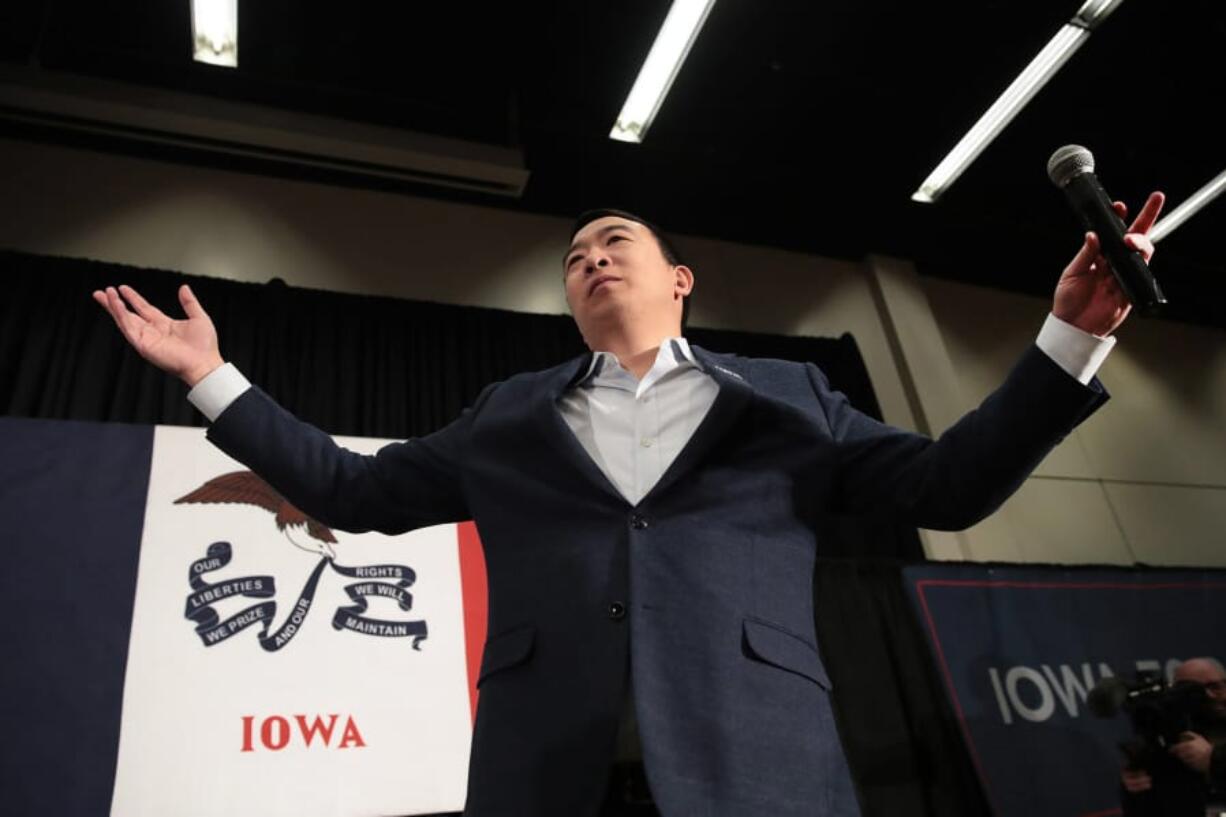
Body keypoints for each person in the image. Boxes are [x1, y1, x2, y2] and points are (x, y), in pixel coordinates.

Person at [94, 196, 1163, 817]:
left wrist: (1066, 339)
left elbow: (948, 485)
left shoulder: (786, 397)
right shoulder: (507, 414)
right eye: (573, 256)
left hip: (756, 767)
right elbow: (351, 493)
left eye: (613, 242)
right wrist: (211, 379)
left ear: (679, 278)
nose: (590, 258)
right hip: (547, 770)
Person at [1121, 657, 1226, 816]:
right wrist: (1135, 788)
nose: (1209, 696)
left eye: (1215, 686)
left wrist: (1213, 760)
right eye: (1192, 692)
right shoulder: (1172, 744)